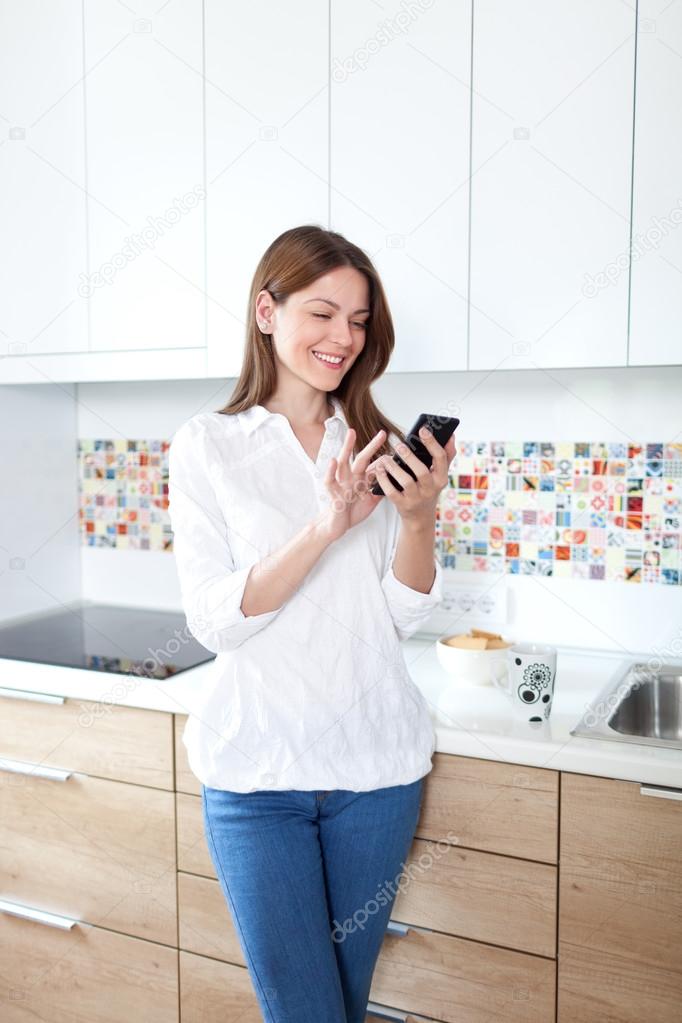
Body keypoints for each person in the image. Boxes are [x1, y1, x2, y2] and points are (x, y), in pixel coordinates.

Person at [168, 225, 456, 1022]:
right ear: (268, 310)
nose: (343, 337)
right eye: (323, 312)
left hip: (376, 771)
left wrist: (421, 518)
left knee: (342, 1009)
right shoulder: (209, 447)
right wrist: (327, 523)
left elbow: (401, 613)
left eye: (359, 320)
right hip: (258, 777)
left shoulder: (376, 442)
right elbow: (215, 620)